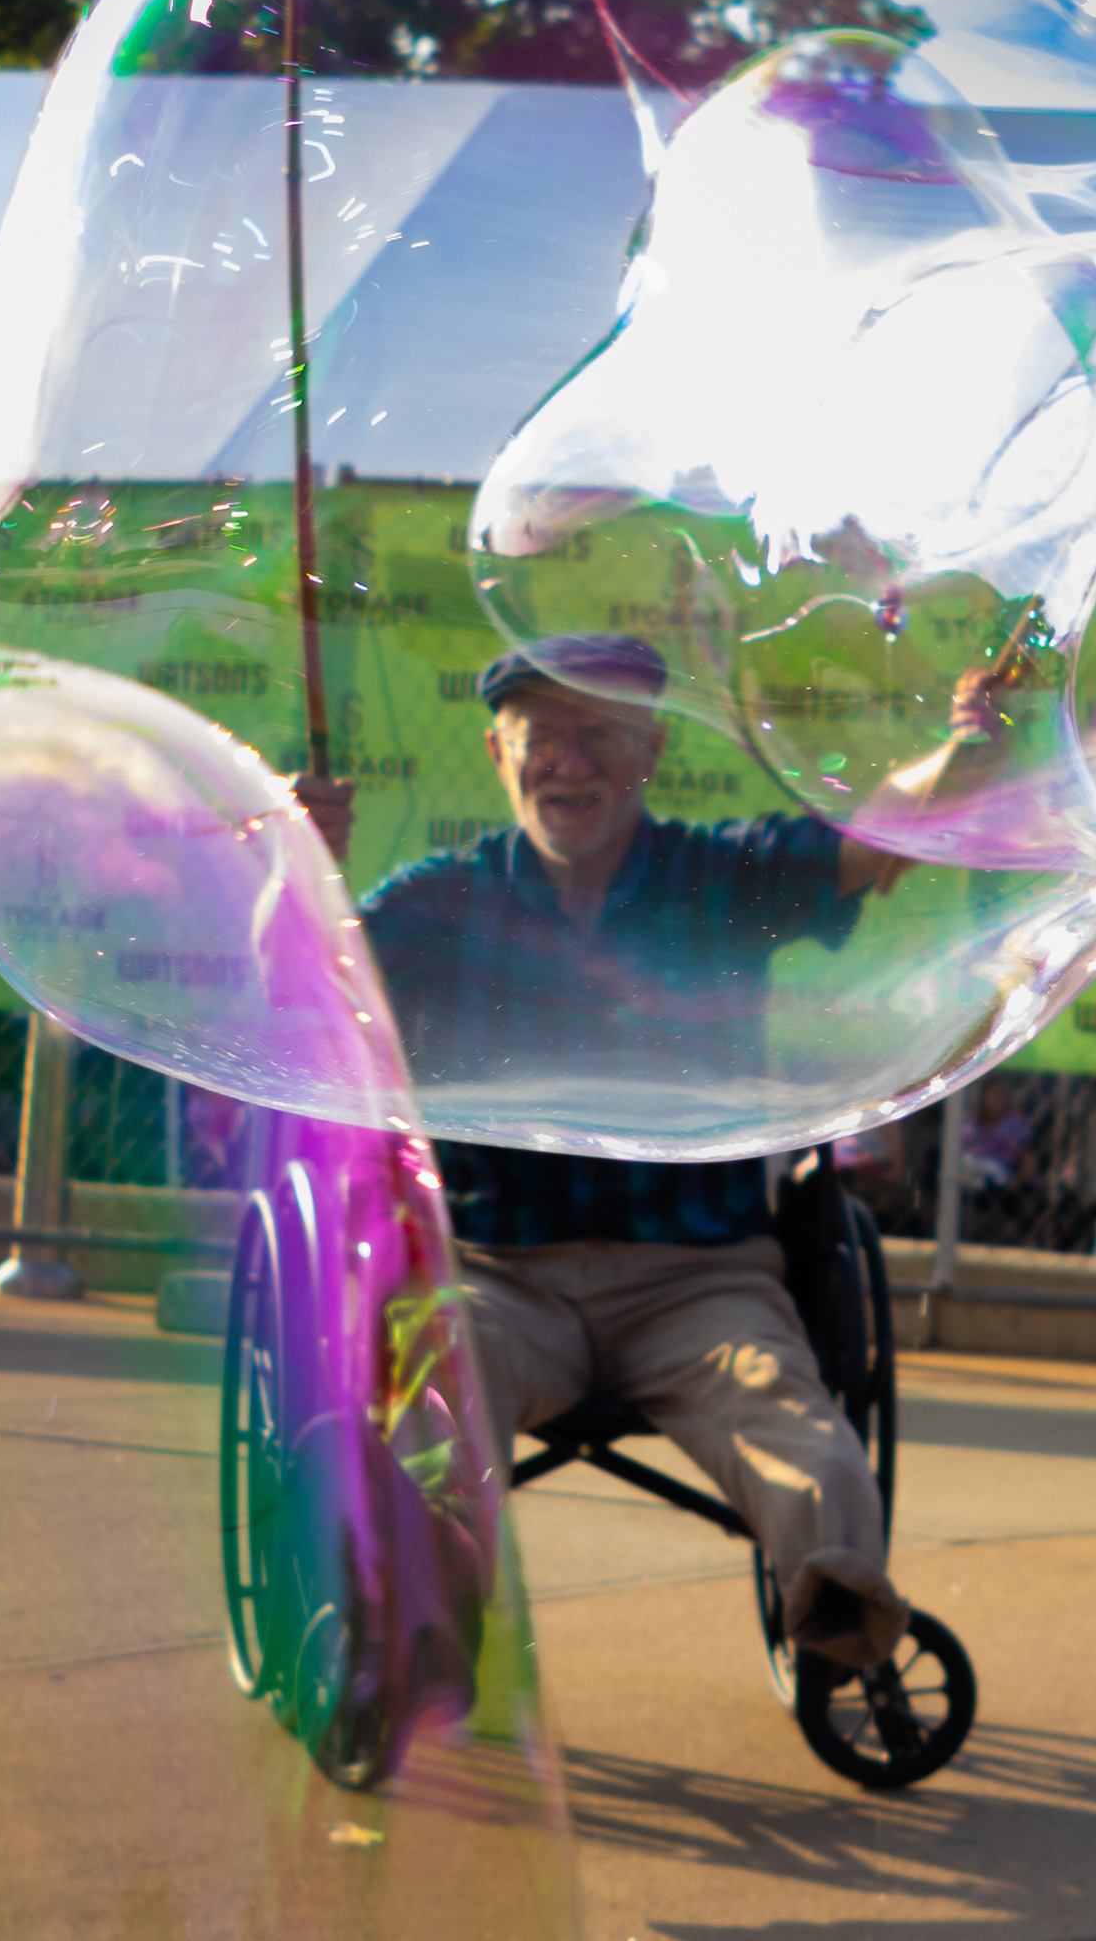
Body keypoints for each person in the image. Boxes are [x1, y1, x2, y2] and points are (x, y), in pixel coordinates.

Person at [353, 634, 920, 1671]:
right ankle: (425, 1633)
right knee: (435, 1393)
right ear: (496, 751)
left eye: (599, 734)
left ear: (650, 753)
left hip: (698, 1286)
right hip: (499, 1277)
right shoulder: (437, 906)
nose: (568, 760)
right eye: (542, 736)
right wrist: (291, 866)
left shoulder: (719, 878)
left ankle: (839, 1628)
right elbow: (304, 994)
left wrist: (972, 748)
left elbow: (878, 842)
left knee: (809, 1445)